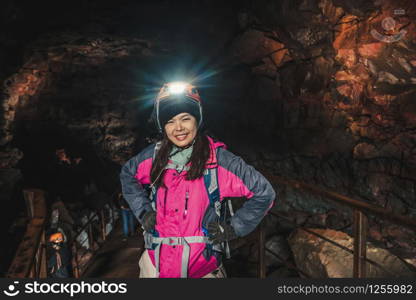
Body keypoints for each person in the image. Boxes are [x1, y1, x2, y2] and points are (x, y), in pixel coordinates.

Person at [120, 82, 276, 278]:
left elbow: (264, 192)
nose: (178, 128)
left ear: (197, 120)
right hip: (156, 266)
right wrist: (143, 211)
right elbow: (128, 174)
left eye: (186, 118)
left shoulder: (219, 162)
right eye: (170, 121)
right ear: (162, 126)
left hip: (201, 270)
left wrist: (234, 227)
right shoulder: (153, 157)